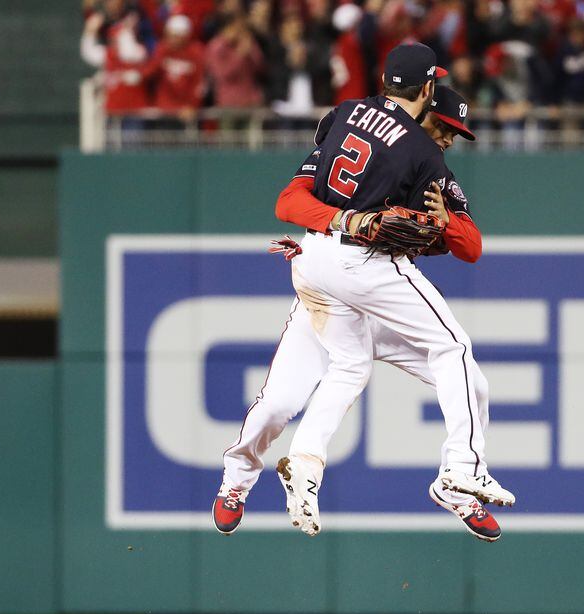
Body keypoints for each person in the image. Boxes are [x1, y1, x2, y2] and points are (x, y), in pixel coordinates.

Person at [213, 44, 513, 539]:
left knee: (471, 384)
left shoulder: (389, 142)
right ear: (427, 98)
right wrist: (346, 219)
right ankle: (237, 480)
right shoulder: (415, 155)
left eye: (457, 134)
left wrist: (443, 224)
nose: (450, 140)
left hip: (373, 301)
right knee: (277, 402)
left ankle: (451, 487)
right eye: (445, 127)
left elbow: (470, 243)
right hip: (352, 276)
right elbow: (290, 201)